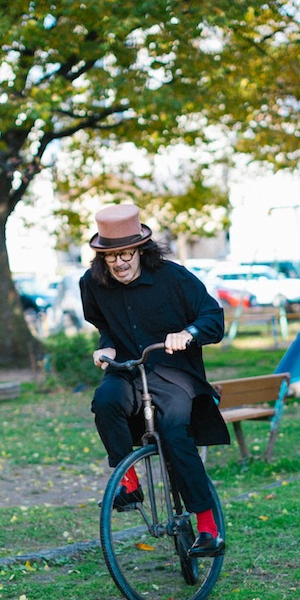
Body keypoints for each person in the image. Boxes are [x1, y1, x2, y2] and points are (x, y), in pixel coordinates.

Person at [80, 203, 230, 557]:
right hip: (130, 370)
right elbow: (107, 329)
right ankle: (128, 484)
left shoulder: (173, 277)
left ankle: (208, 529)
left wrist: (189, 332)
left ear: (141, 250)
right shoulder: (93, 284)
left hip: (174, 372)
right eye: (110, 256)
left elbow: (213, 318)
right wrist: (107, 350)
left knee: (175, 433)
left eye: (126, 253)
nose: (119, 263)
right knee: (105, 402)